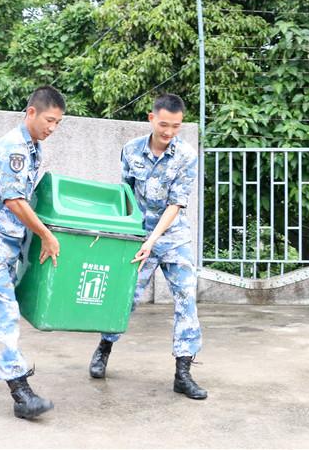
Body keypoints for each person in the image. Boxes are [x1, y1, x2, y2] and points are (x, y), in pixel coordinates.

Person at [87, 93, 207, 400]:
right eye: (164, 124)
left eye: (176, 127)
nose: (169, 132)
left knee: (185, 301)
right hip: (138, 239)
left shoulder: (186, 155)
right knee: (125, 299)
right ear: (151, 118)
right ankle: (105, 347)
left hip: (173, 238)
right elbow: (125, 194)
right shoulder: (130, 150)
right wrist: (123, 235)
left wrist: (153, 240)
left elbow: (176, 204)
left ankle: (183, 372)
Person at [0, 85, 65, 419]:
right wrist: (46, 235)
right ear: (31, 112)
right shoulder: (14, 149)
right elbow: (14, 200)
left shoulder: (33, 148)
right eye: (49, 119)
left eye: (58, 123)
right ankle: (21, 393)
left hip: (6, 244)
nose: (52, 128)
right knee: (3, 312)